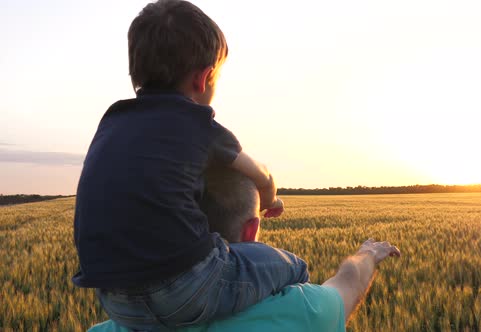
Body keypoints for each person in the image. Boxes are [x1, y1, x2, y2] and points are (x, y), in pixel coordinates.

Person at [73, 0, 308, 330]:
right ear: (204, 78)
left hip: (114, 300)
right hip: (187, 289)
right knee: (294, 267)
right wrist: (271, 199)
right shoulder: (199, 125)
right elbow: (260, 174)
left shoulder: (111, 121)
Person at [89, 168, 401, 331]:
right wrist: (368, 253)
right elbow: (348, 281)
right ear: (251, 230)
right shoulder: (302, 314)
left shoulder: (114, 325)